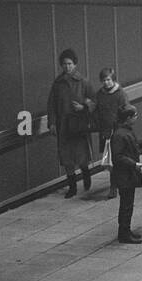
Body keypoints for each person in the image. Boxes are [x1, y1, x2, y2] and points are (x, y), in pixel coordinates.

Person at [46, 48, 95, 197]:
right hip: (63, 126)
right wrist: (52, 123)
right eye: (64, 64)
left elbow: (94, 101)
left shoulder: (83, 82)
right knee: (66, 158)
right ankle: (72, 186)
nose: (67, 67)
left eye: (70, 63)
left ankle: (86, 174)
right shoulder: (58, 84)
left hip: (79, 124)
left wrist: (84, 107)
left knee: (81, 156)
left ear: (75, 64)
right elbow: (51, 105)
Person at [108, 105, 142, 244]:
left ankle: (126, 230)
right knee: (126, 205)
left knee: (128, 204)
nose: (136, 117)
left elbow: (132, 144)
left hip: (127, 175)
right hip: (124, 175)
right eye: (135, 115)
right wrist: (133, 164)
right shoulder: (120, 134)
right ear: (128, 118)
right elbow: (118, 156)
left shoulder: (124, 131)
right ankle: (124, 234)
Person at [93, 68, 127, 179]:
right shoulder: (100, 94)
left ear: (113, 79)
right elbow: (97, 110)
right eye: (103, 80)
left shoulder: (120, 94)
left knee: (117, 156)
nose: (106, 83)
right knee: (109, 158)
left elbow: (125, 111)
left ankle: (115, 183)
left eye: (108, 80)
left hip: (117, 129)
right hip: (105, 130)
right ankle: (114, 181)